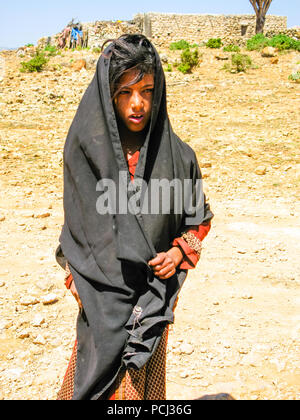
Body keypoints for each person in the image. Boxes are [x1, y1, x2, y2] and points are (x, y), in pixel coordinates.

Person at [55, 34, 213, 400]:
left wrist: (176, 254)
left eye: (147, 90)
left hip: (152, 298)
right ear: (109, 94)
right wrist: (76, 280)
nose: (137, 103)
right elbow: (75, 228)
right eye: (125, 92)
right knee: (91, 378)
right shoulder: (86, 154)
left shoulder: (178, 157)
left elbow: (198, 219)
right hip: (99, 300)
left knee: (142, 386)